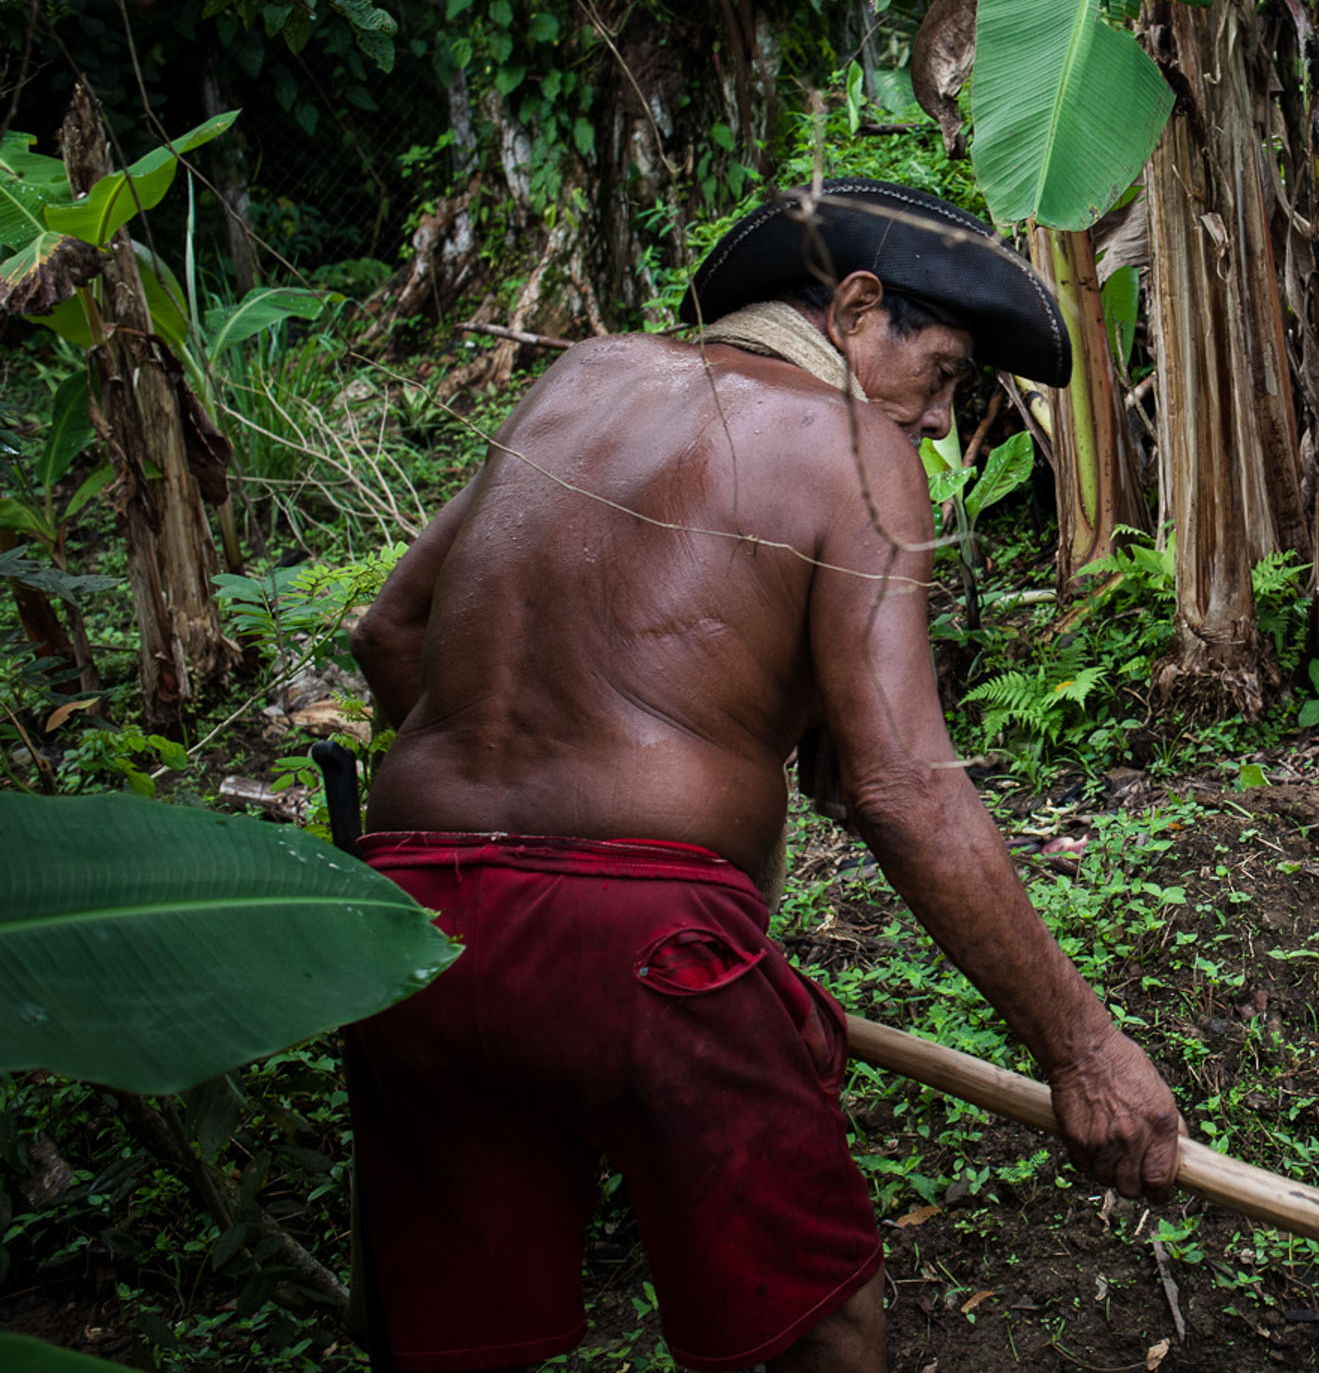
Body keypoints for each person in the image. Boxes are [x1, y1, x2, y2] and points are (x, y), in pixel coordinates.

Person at [346, 177, 1182, 1373]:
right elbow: (905, 787)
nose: (939, 423)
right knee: (814, 1324)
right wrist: (1084, 1053)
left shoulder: (575, 380)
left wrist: (506, 830)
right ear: (853, 308)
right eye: (941, 374)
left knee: (460, 1343)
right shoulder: (851, 441)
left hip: (409, 923)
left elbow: (388, 637)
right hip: (644, 946)